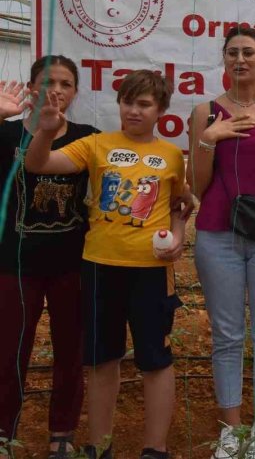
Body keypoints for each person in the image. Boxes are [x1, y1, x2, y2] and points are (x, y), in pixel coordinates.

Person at [24, 70, 187, 459]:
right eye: (128, 102)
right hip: (99, 266)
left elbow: (181, 204)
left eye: (144, 104)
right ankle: (99, 446)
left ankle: (155, 449)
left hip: (150, 271)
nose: (133, 111)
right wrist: (45, 132)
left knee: (155, 359)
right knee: (101, 359)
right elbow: (38, 165)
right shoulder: (95, 145)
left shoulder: (171, 155)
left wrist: (178, 237)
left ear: (161, 110)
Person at [188, 26, 255, 459]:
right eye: (232, 52)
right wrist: (207, 140)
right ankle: (232, 430)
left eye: (249, 52)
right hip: (217, 233)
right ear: (224, 60)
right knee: (227, 336)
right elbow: (197, 183)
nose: (240, 60)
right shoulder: (204, 112)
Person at [0, 57, 98, 458]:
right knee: (9, 351)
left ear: (75, 92)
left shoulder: (87, 136)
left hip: (71, 264)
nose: (57, 89)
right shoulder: (5, 134)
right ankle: (4, 431)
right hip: (13, 263)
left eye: (66, 83)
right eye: (48, 82)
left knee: (70, 352)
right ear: (31, 88)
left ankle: (63, 431)